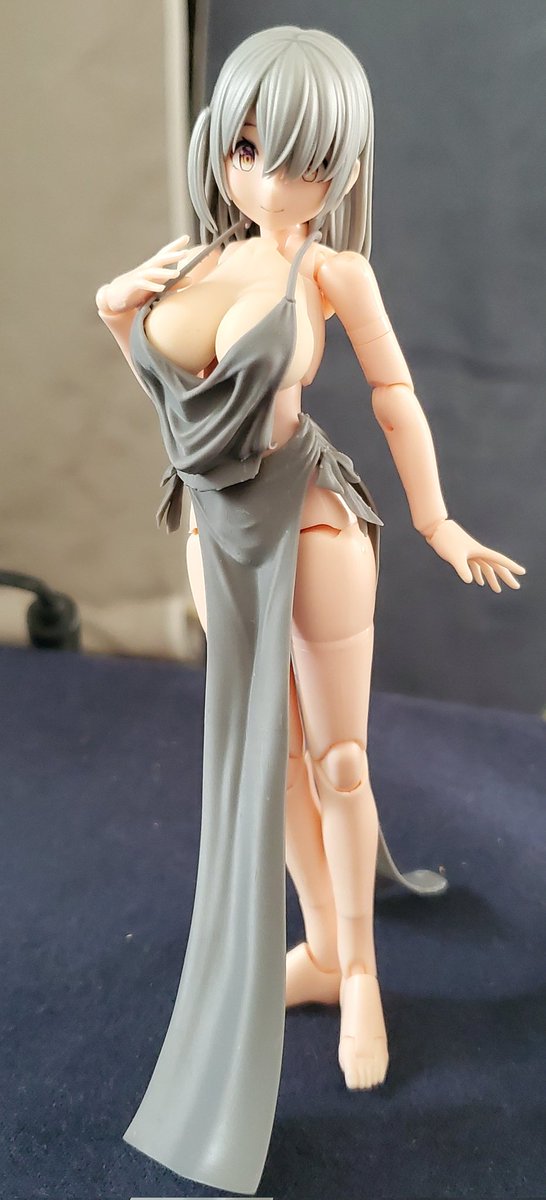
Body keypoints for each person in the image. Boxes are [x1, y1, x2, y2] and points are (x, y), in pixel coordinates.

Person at [96, 26, 525, 1195]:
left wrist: (438, 522)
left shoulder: (332, 273)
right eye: (250, 149)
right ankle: (324, 946)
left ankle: (364, 974)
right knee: (267, 755)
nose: (275, 180)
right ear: (220, 146)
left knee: (337, 759)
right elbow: (181, 414)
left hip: (312, 521)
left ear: (342, 169)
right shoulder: (188, 260)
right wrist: (119, 317)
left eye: (306, 160)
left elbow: (395, 395)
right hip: (214, 533)